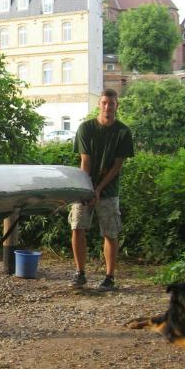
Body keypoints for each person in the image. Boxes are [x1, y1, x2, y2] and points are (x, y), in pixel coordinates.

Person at [68, 88, 134, 291]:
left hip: (109, 190)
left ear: (117, 106)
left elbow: (117, 166)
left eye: (111, 104)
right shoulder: (86, 128)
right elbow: (85, 161)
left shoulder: (123, 132)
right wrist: (87, 190)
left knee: (110, 233)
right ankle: (80, 273)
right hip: (84, 185)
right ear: (99, 105)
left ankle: (109, 277)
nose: (107, 107)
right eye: (104, 103)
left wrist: (99, 190)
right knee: (77, 227)